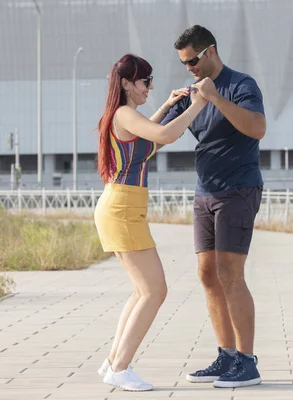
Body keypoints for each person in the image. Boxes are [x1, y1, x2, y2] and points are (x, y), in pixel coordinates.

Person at [93, 54, 207, 392]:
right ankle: (120, 367)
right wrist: (199, 103)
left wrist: (170, 106)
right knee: (155, 291)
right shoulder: (125, 113)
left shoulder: (125, 116)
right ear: (127, 83)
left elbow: (149, 140)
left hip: (124, 207)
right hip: (123, 210)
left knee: (144, 291)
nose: (150, 88)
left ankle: (114, 360)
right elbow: (166, 136)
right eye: (145, 82)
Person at [160, 25, 266, 388]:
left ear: (211, 52)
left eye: (192, 60)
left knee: (229, 273)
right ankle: (226, 355)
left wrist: (216, 98)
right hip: (205, 193)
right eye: (184, 63)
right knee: (207, 274)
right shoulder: (193, 96)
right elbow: (156, 139)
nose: (188, 68)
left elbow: (257, 128)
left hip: (238, 190)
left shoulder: (241, 84)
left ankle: (247, 362)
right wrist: (171, 106)